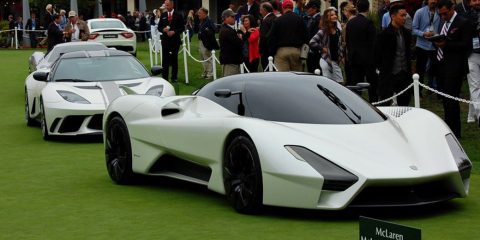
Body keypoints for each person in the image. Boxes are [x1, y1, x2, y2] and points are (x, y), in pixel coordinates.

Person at [433, 0, 472, 137]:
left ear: (452, 8)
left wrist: (446, 45)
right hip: (442, 64)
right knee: (444, 99)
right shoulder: (443, 22)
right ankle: (448, 127)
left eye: (445, 13)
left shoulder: (463, 22)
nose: (443, 17)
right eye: (441, 14)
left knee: (451, 100)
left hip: (455, 67)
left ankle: (454, 131)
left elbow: (467, 45)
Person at [375, 3, 412, 106]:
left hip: (404, 75)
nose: (405, 18)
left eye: (406, 15)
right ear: (393, 16)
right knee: (385, 105)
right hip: (389, 75)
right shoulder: (383, 35)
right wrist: (383, 69)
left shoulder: (407, 34)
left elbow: (408, 54)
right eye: (402, 15)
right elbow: (377, 56)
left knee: (404, 106)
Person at [345, 0, 378, 101]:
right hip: (368, 60)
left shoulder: (350, 23)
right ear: (368, 8)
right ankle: (373, 103)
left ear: (357, 8)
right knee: (372, 85)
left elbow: (348, 41)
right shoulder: (368, 23)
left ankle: (357, 104)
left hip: (354, 58)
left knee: (356, 86)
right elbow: (373, 43)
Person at [268, 0, 308, 71]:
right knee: (296, 76)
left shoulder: (278, 20)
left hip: (281, 51)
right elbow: (306, 36)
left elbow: (271, 37)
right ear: (292, 8)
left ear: (283, 8)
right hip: (296, 51)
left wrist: (272, 51)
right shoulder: (300, 19)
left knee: (283, 77)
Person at [412, 0, 441, 91]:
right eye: (431, 0)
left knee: (436, 69)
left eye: (435, 0)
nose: (433, 1)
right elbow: (414, 29)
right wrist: (424, 34)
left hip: (434, 45)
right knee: (420, 70)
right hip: (422, 45)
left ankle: (433, 89)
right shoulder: (419, 12)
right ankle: (418, 91)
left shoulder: (439, 12)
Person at [309, 8, 344, 83]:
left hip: (335, 61)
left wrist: (342, 55)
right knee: (329, 83)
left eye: (335, 14)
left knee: (340, 83)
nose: (335, 16)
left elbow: (340, 45)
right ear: (327, 18)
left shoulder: (337, 31)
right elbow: (312, 42)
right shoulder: (323, 31)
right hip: (326, 60)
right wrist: (322, 48)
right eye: (332, 15)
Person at [158, 0, 185, 82]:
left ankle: (174, 77)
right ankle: (165, 77)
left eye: (168, 5)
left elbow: (182, 27)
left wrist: (174, 32)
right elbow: (159, 27)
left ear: (172, 5)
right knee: (165, 60)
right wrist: (163, 29)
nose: (166, 7)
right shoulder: (163, 15)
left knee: (174, 59)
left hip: (175, 41)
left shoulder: (178, 15)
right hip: (165, 41)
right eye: (165, 5)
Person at [467, 0, 480, 125]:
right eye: (474, 0)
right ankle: (479, 114)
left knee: (476, 86)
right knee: (474, 85)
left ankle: (472, 115)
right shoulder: (466, 15)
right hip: (472, 54)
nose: (477, 2)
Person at [219, 9, 243, 76]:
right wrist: (242, 36)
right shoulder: (227, 30)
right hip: (230, 62)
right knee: (230, 84)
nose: (234, 18)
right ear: (226, 18)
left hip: (231, 60)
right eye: (232, 17)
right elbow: (239, 44)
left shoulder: (226, 28)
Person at [197, 7, 219, 79]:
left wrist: (206, 32)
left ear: (205, 13)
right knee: (202, 58)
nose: (198, 14)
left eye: (200, 13)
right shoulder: (202, 21)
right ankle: (205, 72)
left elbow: (214, 30)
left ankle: (210, 73)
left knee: (207, 57)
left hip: (206, 42)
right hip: (201, 41)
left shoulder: (209, 21)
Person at [305, 0, 322, 73]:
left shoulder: (318, 19)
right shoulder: (311, 19)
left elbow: (315, 35)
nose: (307, 10)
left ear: (314, 8)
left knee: (315, 71)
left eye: (308, 8)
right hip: (312, 51)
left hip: (315, 52)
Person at [259, 2, 276, 70]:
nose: (260, 12)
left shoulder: (265, 21)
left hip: (267, 51)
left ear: (264, 10)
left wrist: (260, 50)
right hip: (275, 50)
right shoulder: (276, 18)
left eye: (260, 10)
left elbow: (263, 37)